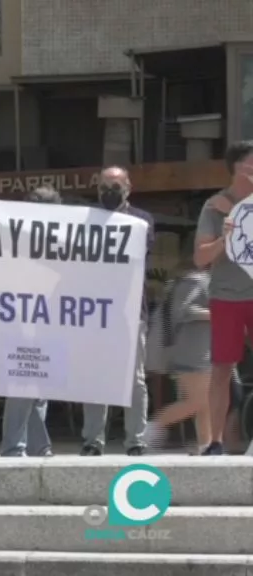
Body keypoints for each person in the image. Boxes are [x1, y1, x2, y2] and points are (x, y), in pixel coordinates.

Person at [80, 166, 153, 456]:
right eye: (104, 187)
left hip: (131, 310)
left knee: (134, 379)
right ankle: (92, 441)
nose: (109, 192)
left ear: (128, 188)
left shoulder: (143, 221)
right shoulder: (85, 220)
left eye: (115, 186)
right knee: (95, 375)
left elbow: (136, 258)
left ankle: (135, 441)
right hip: (94, 311)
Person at [194, 140, 253, 455]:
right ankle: (214, 441)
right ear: (238, 167)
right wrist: (225, 237)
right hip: (227, 297)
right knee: (221, 368)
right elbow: (200, 258)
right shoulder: (213, 206)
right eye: (251, 162)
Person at [0, 186, 59, 457]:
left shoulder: (60, 240)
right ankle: (14, 446)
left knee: (40, 386)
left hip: (52, 318)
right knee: (23, 380)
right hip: (22, 317)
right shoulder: (16, 239)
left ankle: (37, 445)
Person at [144, 256, 212, 452]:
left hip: (201, 352)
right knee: (196, 401)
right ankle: (153, 427)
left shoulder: (200, 281)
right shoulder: (193, 282)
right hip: (191, 352)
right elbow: (184, 311)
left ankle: (205, 445)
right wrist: (216, 315)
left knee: (204, 402)